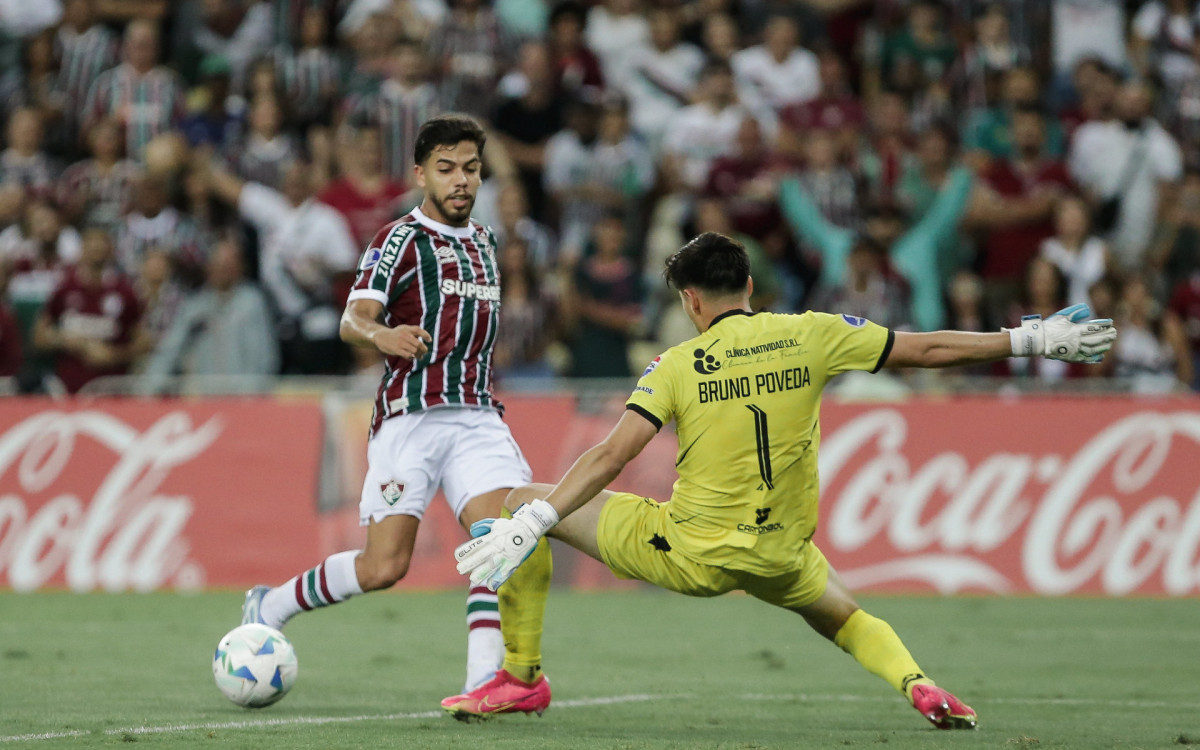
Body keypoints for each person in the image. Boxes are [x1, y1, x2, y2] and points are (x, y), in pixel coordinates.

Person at [443, 232, 1117, 725]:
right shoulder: (814, 333)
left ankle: (522, 678)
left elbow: (612, 455)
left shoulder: (678, 364)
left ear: (690, 301)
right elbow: (926, 348)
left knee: (522, 499)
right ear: (749, 288)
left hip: (690, 550)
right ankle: (919, 684)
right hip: (781, 553)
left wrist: (536, 520)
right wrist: (1031, 340)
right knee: (843, 617)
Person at [240, 114, 535, 696]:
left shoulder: (486, 242)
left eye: (471, 169)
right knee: (383, 567)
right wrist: (383, 335)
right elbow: (353, 318)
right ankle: (271, 605)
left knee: (500, 539)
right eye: (446, 168)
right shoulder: (398, 239)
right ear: (421, 174)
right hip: (410, 418)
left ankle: (483, 683)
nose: (460, 180)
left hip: (476, 416)